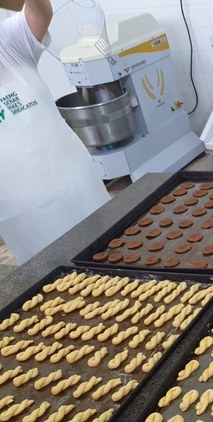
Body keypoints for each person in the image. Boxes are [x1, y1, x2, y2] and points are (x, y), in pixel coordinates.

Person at [0, 0, 109, 264]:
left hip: (76, 186)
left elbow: (40, 11)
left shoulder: (8, 42)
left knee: (113, 253)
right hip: (22, 214)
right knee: (51, 276)